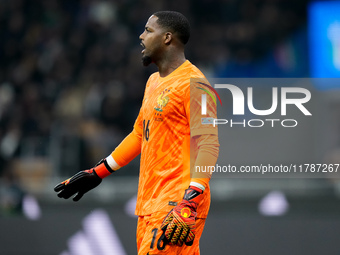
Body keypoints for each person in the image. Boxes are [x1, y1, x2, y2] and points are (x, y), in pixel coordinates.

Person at [54, 11, 219, 254]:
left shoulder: (196, 84)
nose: (141, 36)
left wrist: (190, 200)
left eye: (148, 30)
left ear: (167, 38)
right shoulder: (153, 82)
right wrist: (97, 172)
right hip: (149, 204)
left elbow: (208, 144)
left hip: (177, 203)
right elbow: (139, 135)